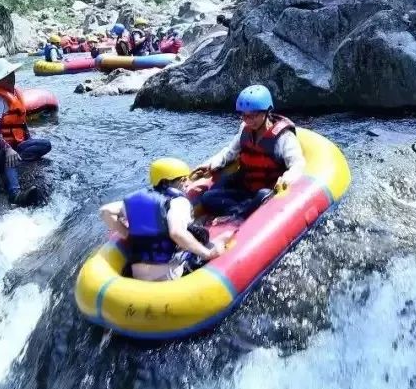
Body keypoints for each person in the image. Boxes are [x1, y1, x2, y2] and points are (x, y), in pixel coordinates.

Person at [100, 159, 227, 281]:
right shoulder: (178, 202)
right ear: (181, 180)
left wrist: (127, 234)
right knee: (203, 235)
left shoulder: (136, 198)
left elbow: (105, 211)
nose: (187, 183)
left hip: (137, 273)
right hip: (168, 276)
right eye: (185, 179)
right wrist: (207, 254)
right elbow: (176, 233)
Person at [193, 85, 305, 217]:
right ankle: (240, 213)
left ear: (267, 111)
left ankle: (239, 215)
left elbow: (297, 164)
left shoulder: (284, 137)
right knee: (207, 197)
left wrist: (287, 178)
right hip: (246, 189)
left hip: (267, 191)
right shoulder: (245, 129)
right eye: (245, 116)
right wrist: (211, 163)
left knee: (262, 195)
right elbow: (230, 152)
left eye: (253, 116)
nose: (248, 121)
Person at [0, 57, 52, 202]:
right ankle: (15, 194)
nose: (11, 77)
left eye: (11, 73)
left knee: (45, 145)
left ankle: (16, 157)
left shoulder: (15, 93)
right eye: (6, 76)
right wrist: (8, 149)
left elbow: (21, 123)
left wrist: (28, 141)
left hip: (15, 144)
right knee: (8, 156)